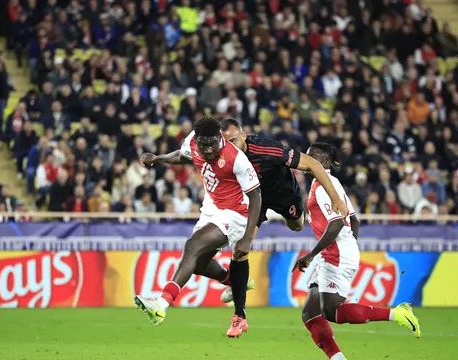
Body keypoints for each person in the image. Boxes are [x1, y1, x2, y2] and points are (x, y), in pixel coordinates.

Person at [134, 116, 262, 338]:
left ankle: (161, 304)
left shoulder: (236, 158)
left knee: (192, 246)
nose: (208, 149)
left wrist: (248, 237)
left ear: (219, 137)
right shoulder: (193, 141)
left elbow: (256, 196)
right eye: (204, 145)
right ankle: (236, 282)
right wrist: (159, 158)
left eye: (212, 144)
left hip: (236, 213)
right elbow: (183, 156)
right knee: (199, 263)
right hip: (212, 208)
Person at [294, 142, 420, 360]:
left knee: (332, 312)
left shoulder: (323, 186)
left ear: (321, 161)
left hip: (335, 254)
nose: (306, 161)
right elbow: (354, 220)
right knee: (310, 313)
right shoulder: (331, 182)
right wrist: (349, 247)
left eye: (311, 157)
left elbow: (335, 224)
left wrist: (311, 255)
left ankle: (396, 314)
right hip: (339, 252)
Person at [218, 118, 348, 303]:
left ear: (244, 136)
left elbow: (313, 164)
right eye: (226, 144)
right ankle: (238, 281)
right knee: (241, 244)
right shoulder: (223, 155)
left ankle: (288, 215)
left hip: (284, 194)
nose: (230, 148)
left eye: (233, 142)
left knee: (296, 226)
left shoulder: (269, 149)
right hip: (256, 199)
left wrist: (336, 199)